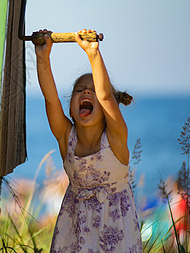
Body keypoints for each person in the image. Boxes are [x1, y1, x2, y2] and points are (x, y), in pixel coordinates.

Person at [34, 29, 142, 252]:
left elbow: (105, 96)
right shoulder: (67, 138)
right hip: (75, 233)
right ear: (71, 109)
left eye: (92, 90)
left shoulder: (116, 138)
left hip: (116, 234)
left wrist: (93, 54)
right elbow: (51, 100)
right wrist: (43, 57)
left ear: (106, 111)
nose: (86, 93)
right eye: (79, 90)